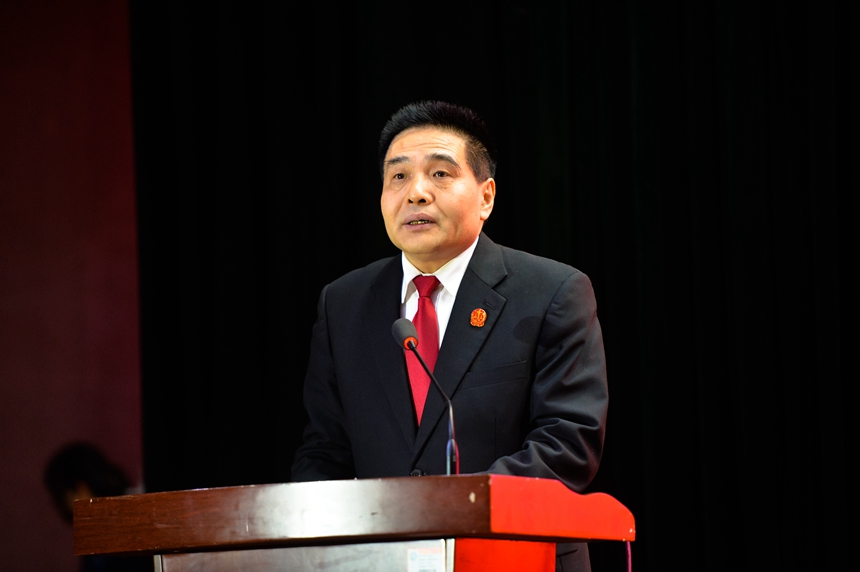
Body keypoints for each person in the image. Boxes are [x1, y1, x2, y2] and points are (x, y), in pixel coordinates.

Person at [291, 100, 608, 572]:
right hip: (378, 560)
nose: (416, 193)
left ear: (486, 196)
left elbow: (567, 443)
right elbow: (325, 450)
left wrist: (447, 510)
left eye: (440, 174)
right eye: (398, 176)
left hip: (516, 556)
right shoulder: (343, 303)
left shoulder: (551, 292)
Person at [44, 442, 151, 572]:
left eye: (61, 496)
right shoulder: (93, 534)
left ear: (80, 488)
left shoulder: (129, 525)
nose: (59, 506)